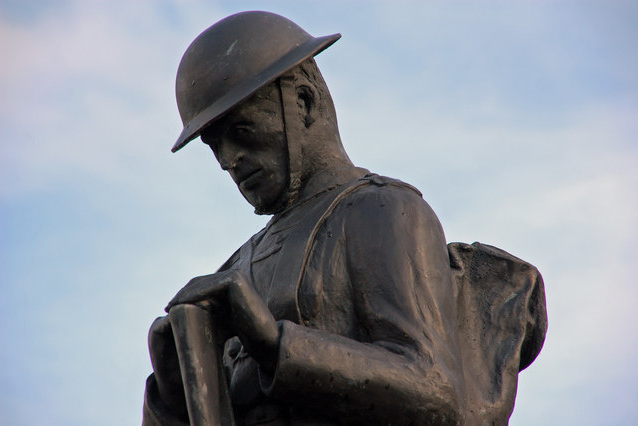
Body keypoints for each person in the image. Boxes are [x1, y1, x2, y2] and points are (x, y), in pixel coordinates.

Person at [143, 11, 546, 426]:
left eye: (242, 131)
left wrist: (272, 343)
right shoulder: (235, 267)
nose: (229, 160)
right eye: (215, 146)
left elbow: (436, 390)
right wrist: (173, 395)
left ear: (303, 102)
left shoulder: (384, 210)